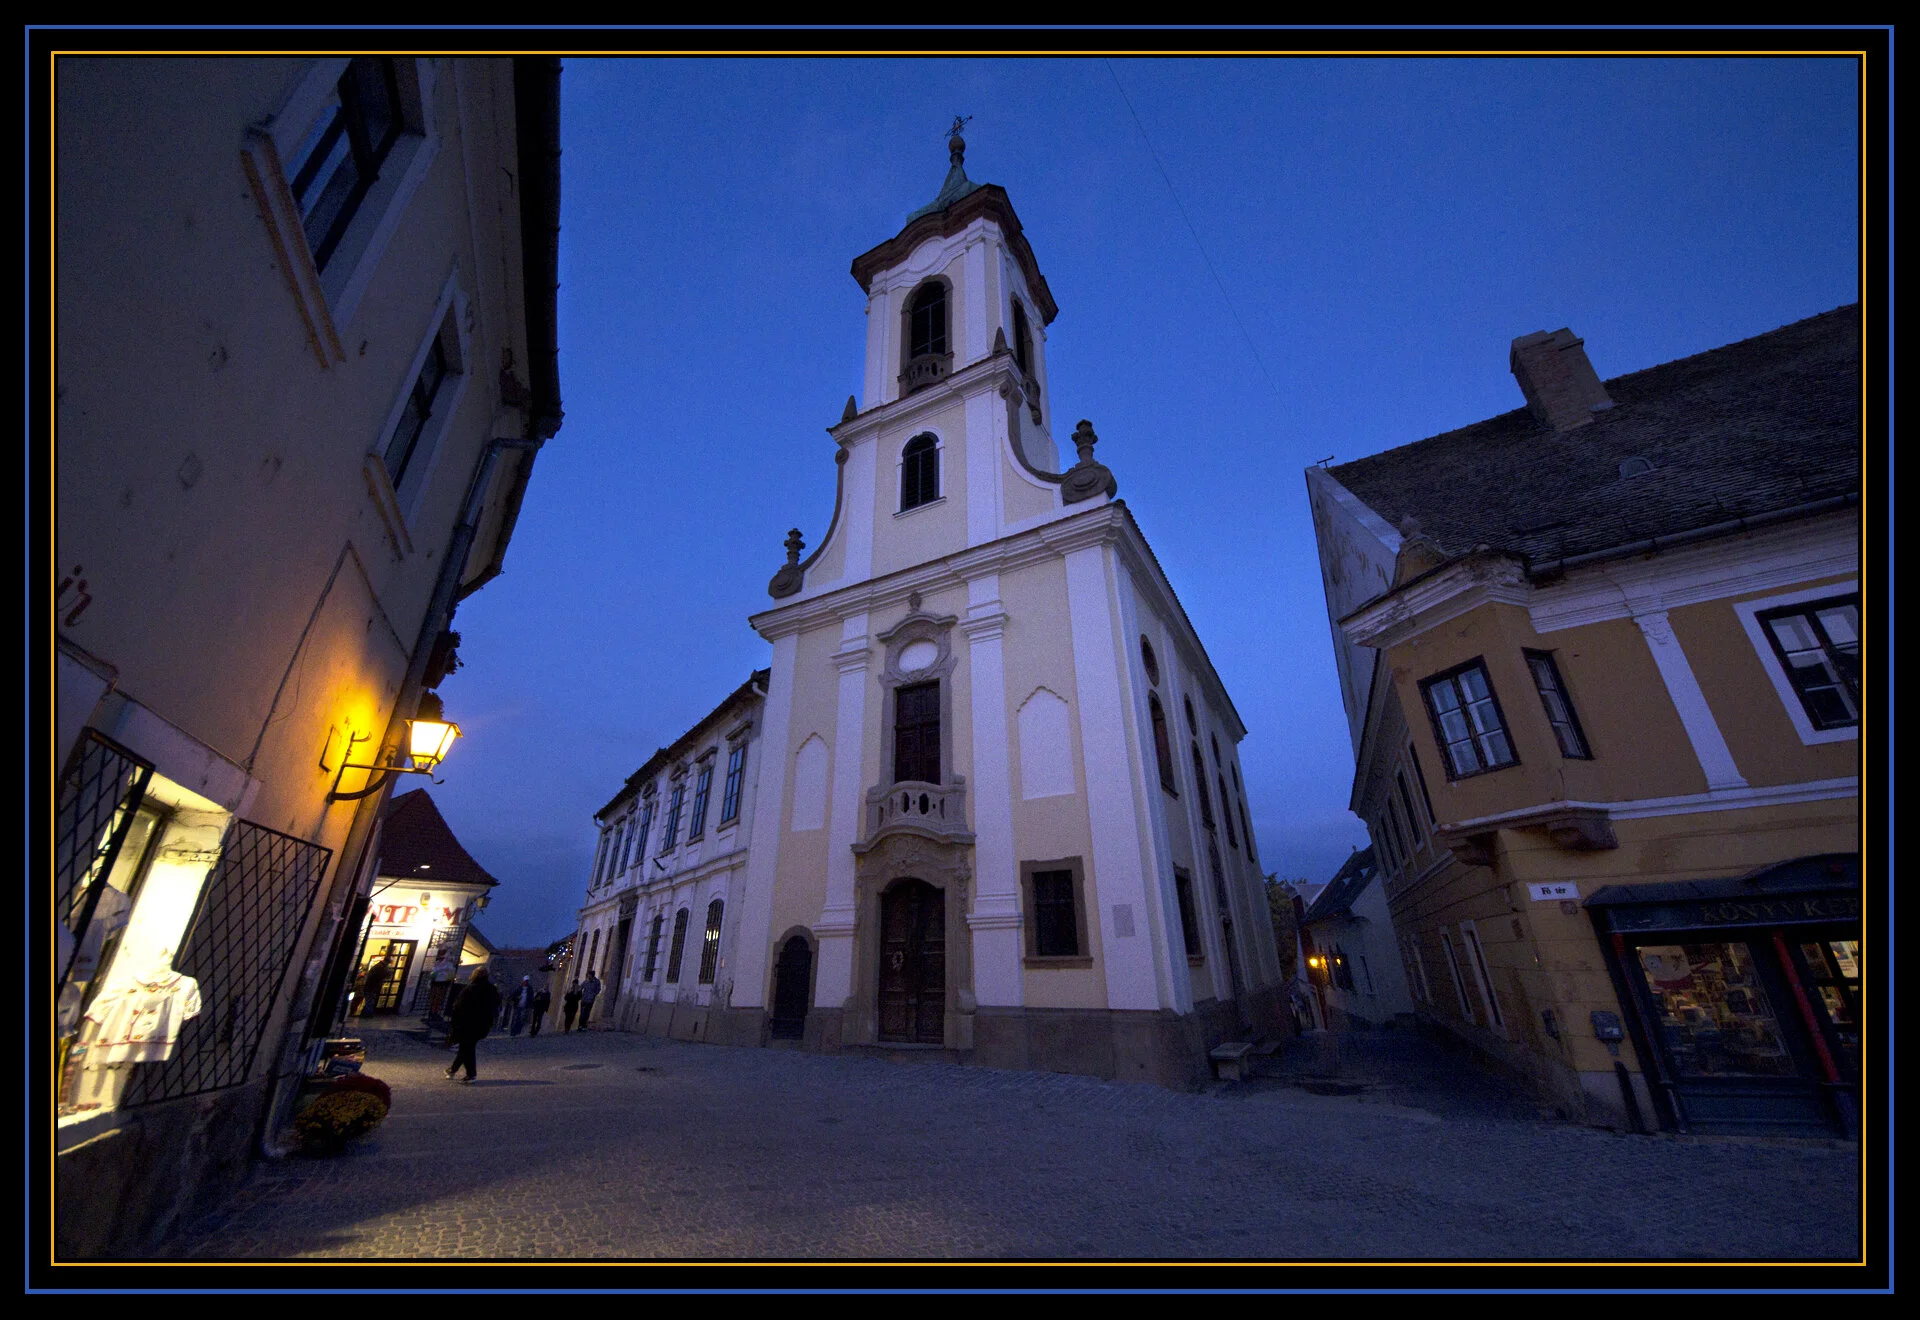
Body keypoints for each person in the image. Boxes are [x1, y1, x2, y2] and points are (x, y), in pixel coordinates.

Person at [444, 967, 502, 1083]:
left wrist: (455, 1021)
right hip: (483, 1025)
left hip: (468, 1023)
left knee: (467, 1048)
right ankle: (453, 1069)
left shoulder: (470, 989)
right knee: (466, 1046)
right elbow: (497, 1006)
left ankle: (471, 1074)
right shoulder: (491, 989)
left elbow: (459, 1006)